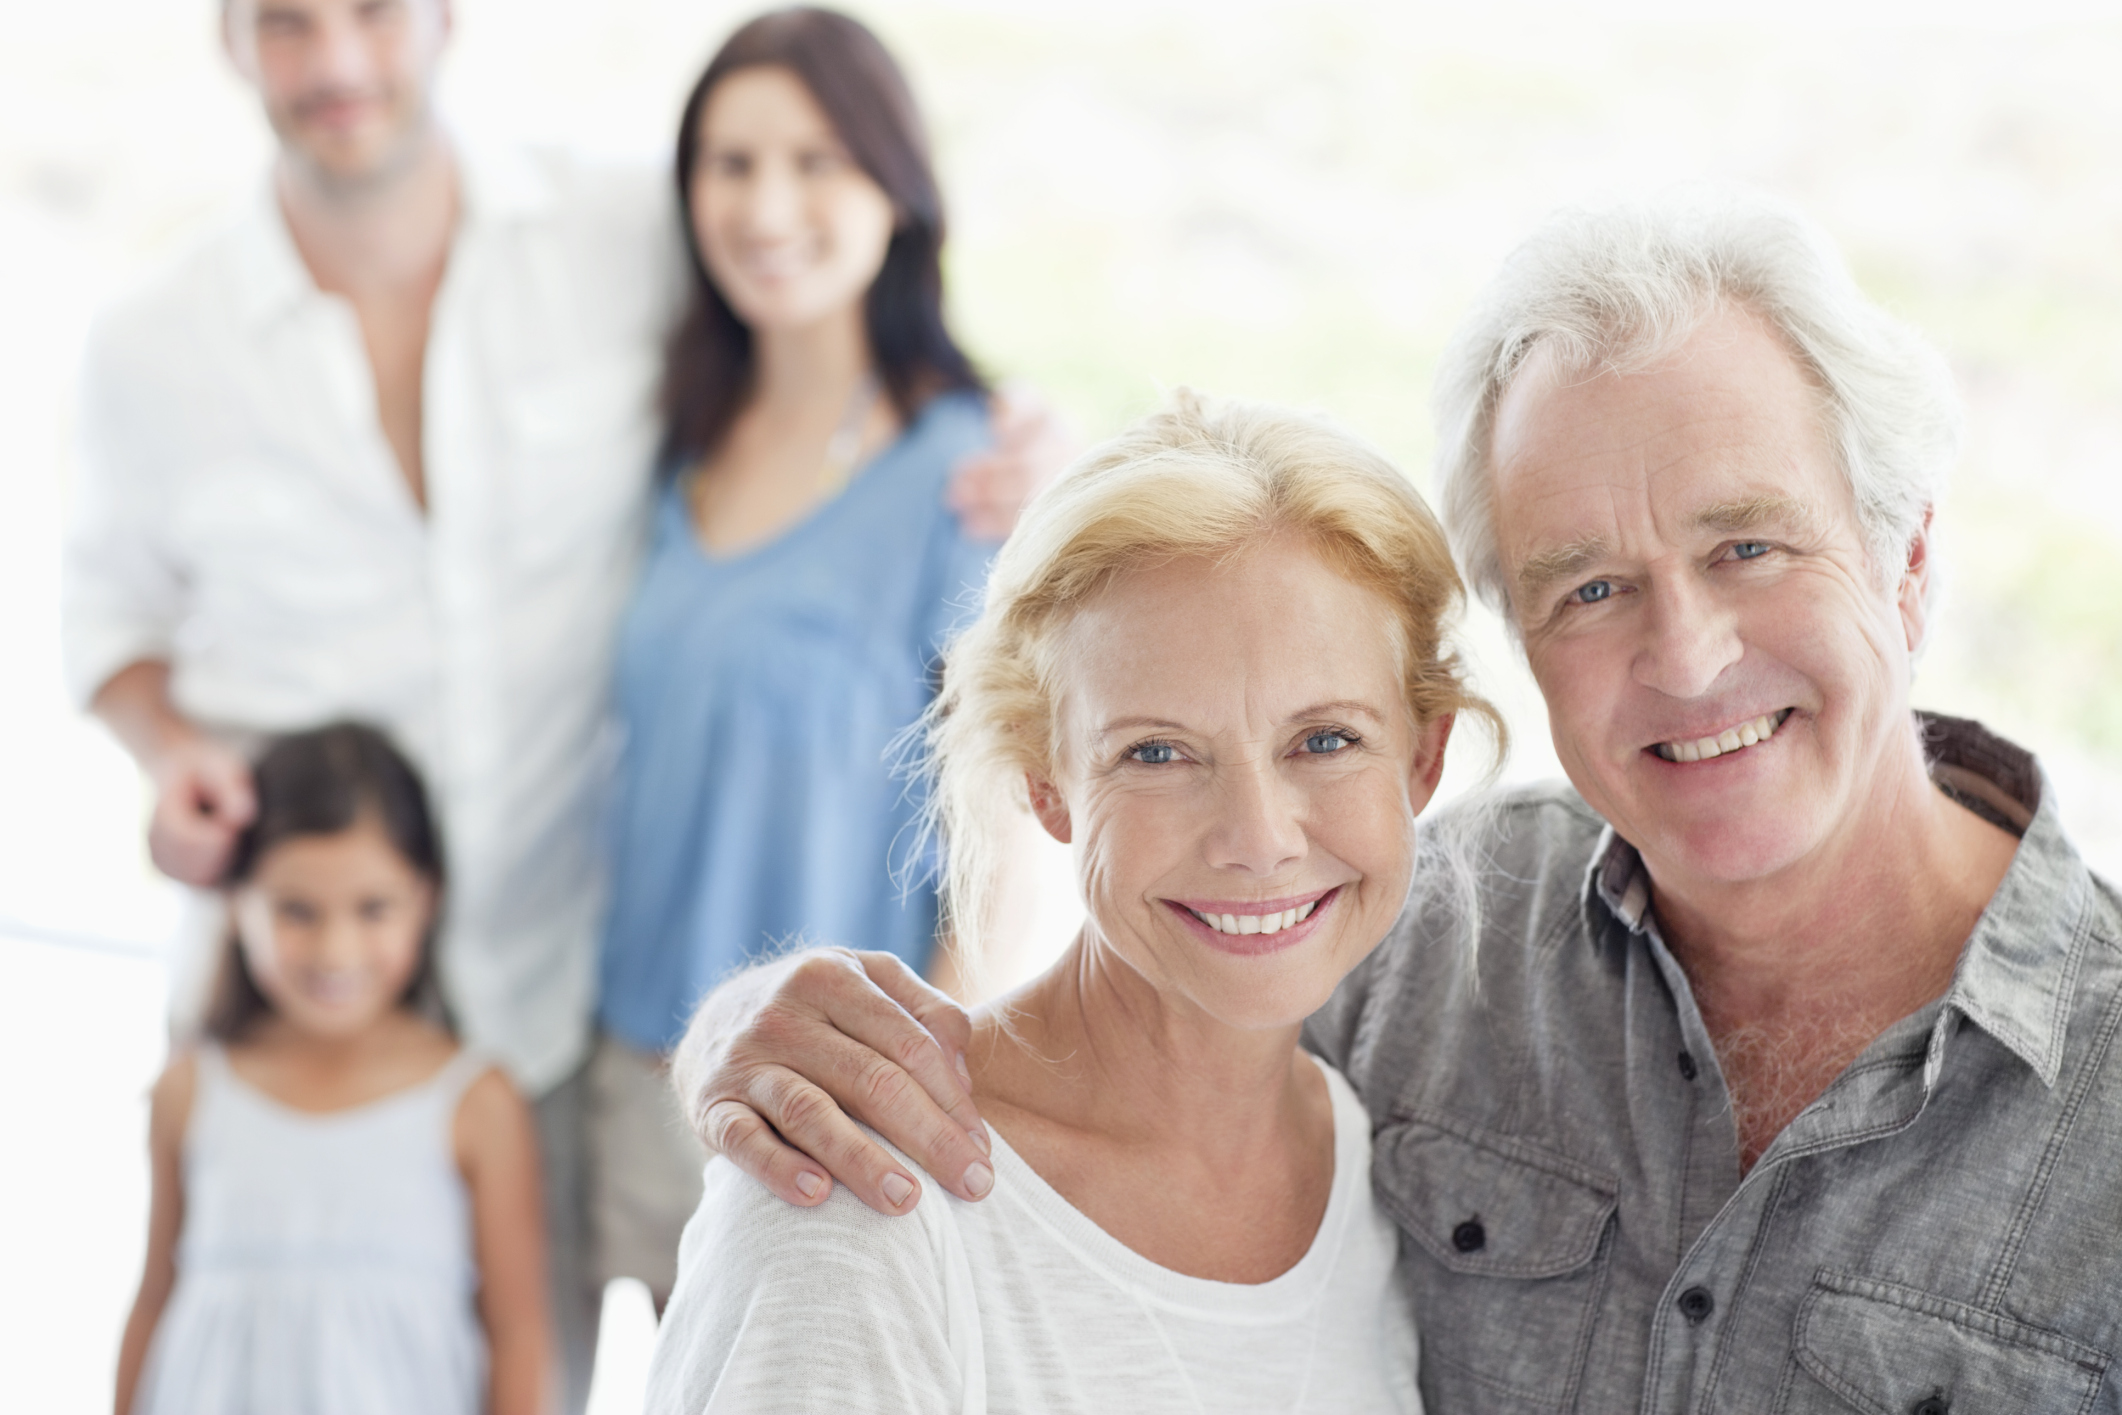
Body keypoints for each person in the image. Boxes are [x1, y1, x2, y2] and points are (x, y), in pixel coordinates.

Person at [662, 188, 2122, 1413]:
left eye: (1747, 544)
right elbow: (1156, 991)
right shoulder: (1425, 942)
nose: (1684, 654)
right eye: (1590, 586)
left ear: (1907, 560)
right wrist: (750, 1029)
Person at [63, 1, 1067, 1401]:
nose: (340, 63)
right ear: (230, 40)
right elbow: (109, 623)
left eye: (372, 14)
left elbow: (999, 813)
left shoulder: (605, 241)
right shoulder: (153, 342)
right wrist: (167, 754)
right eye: (287, 23)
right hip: (323, 1015)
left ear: (445, 19)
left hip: (566, 1012)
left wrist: (1037, 438)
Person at [645, 390, 1490, 1412]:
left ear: (1423, 756)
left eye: (1325, 740)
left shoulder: (1390, 1179)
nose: (1259, 838)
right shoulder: (859, 1196)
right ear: (1045, 781)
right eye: (1157, 751)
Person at [588, 7, 1006, 1315]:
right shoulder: (671, 440)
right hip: (627, 1066)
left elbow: (991, 853)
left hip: (813, 1113)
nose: (768, 204)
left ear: (895, 183)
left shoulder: (967, 478)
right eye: (731, 162)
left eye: (816, 159)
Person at [113, 723, 551, 1415]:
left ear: (426, 898)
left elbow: (518, 1330)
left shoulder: (476, 1100)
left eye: (373, 908)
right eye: (296, 910)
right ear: (235, 901)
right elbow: (152, 1299)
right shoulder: (192, 1090)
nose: (335, 948)